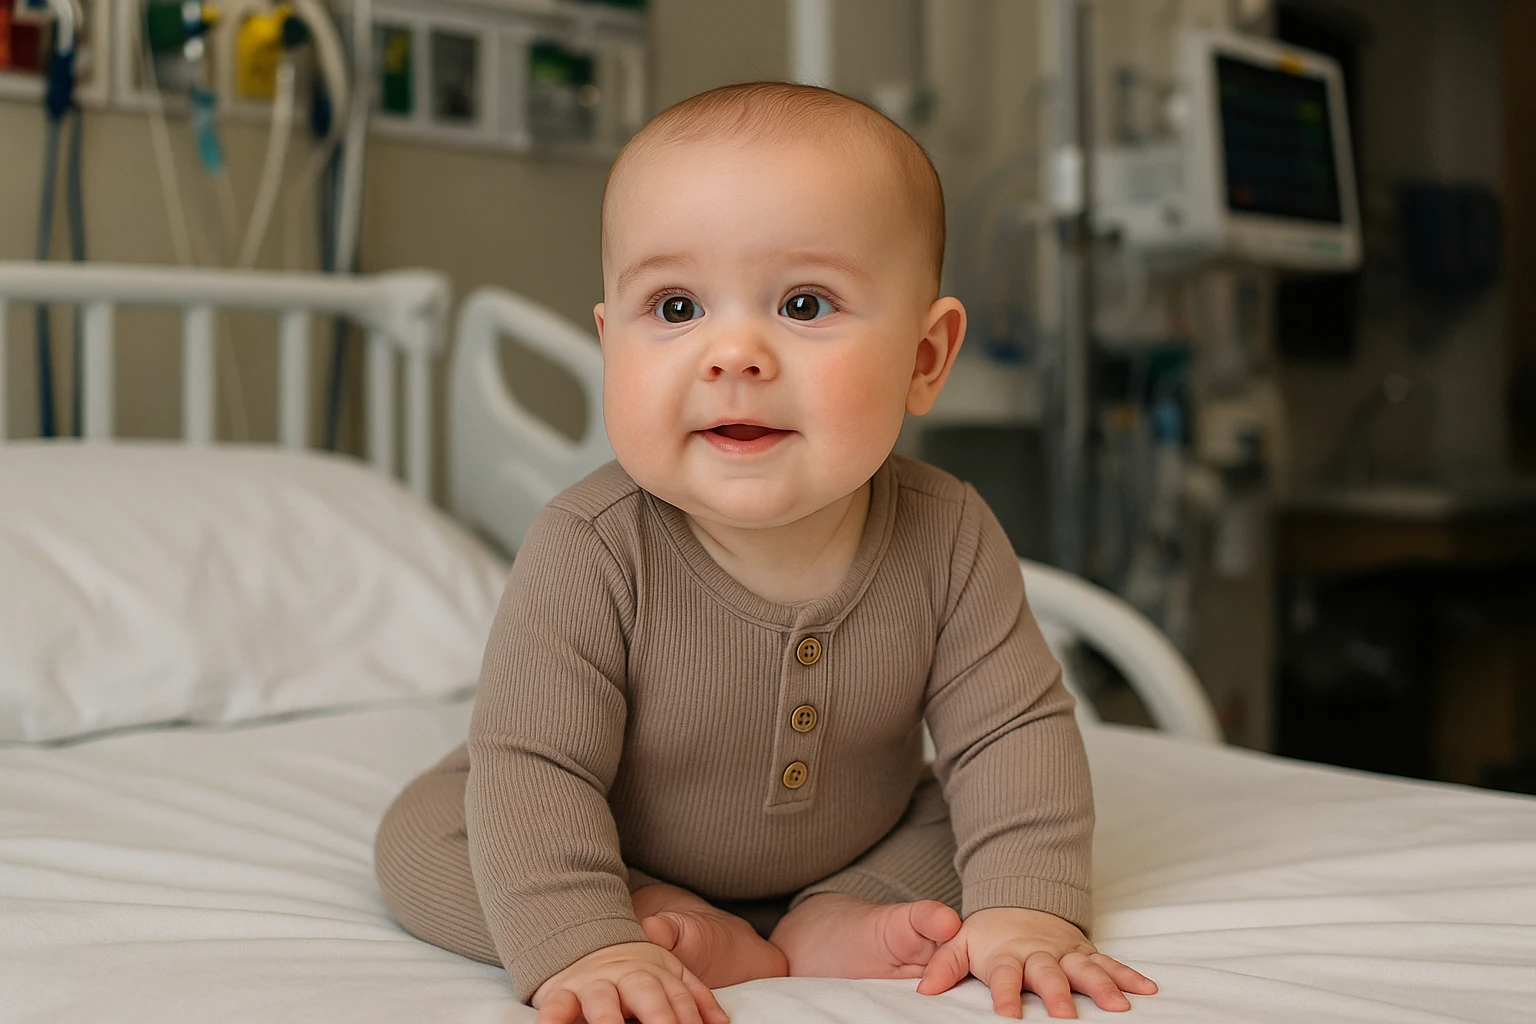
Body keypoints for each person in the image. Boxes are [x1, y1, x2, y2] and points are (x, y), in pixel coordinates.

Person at [375, 81, 1158, 1024]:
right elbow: (539, 767)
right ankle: (642, 918)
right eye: (672, 309)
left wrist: (1028, 913)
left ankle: (831, 916)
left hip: (851, 841)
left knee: (988, 816)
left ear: (925, 358)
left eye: (803, 301)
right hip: (602, 839)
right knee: (432, 838)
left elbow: (1010, 735)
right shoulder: (590, 548)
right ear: (608, 342)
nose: (732, 353)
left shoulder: (949, 534)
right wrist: (586, 943)